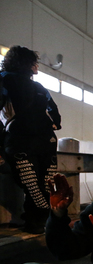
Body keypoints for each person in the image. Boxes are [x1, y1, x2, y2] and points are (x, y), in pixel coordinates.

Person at [0, 45, 61, 233]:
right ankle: (38, 221)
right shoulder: (6, 80)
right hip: (28, 140)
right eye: (34, 63)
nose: (37, 67)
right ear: (26, 63)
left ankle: (37, 223)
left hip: (36, 141)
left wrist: (54, 124)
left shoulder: (35, 86)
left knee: (41, 184)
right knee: (36, 185)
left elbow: (54, 112)